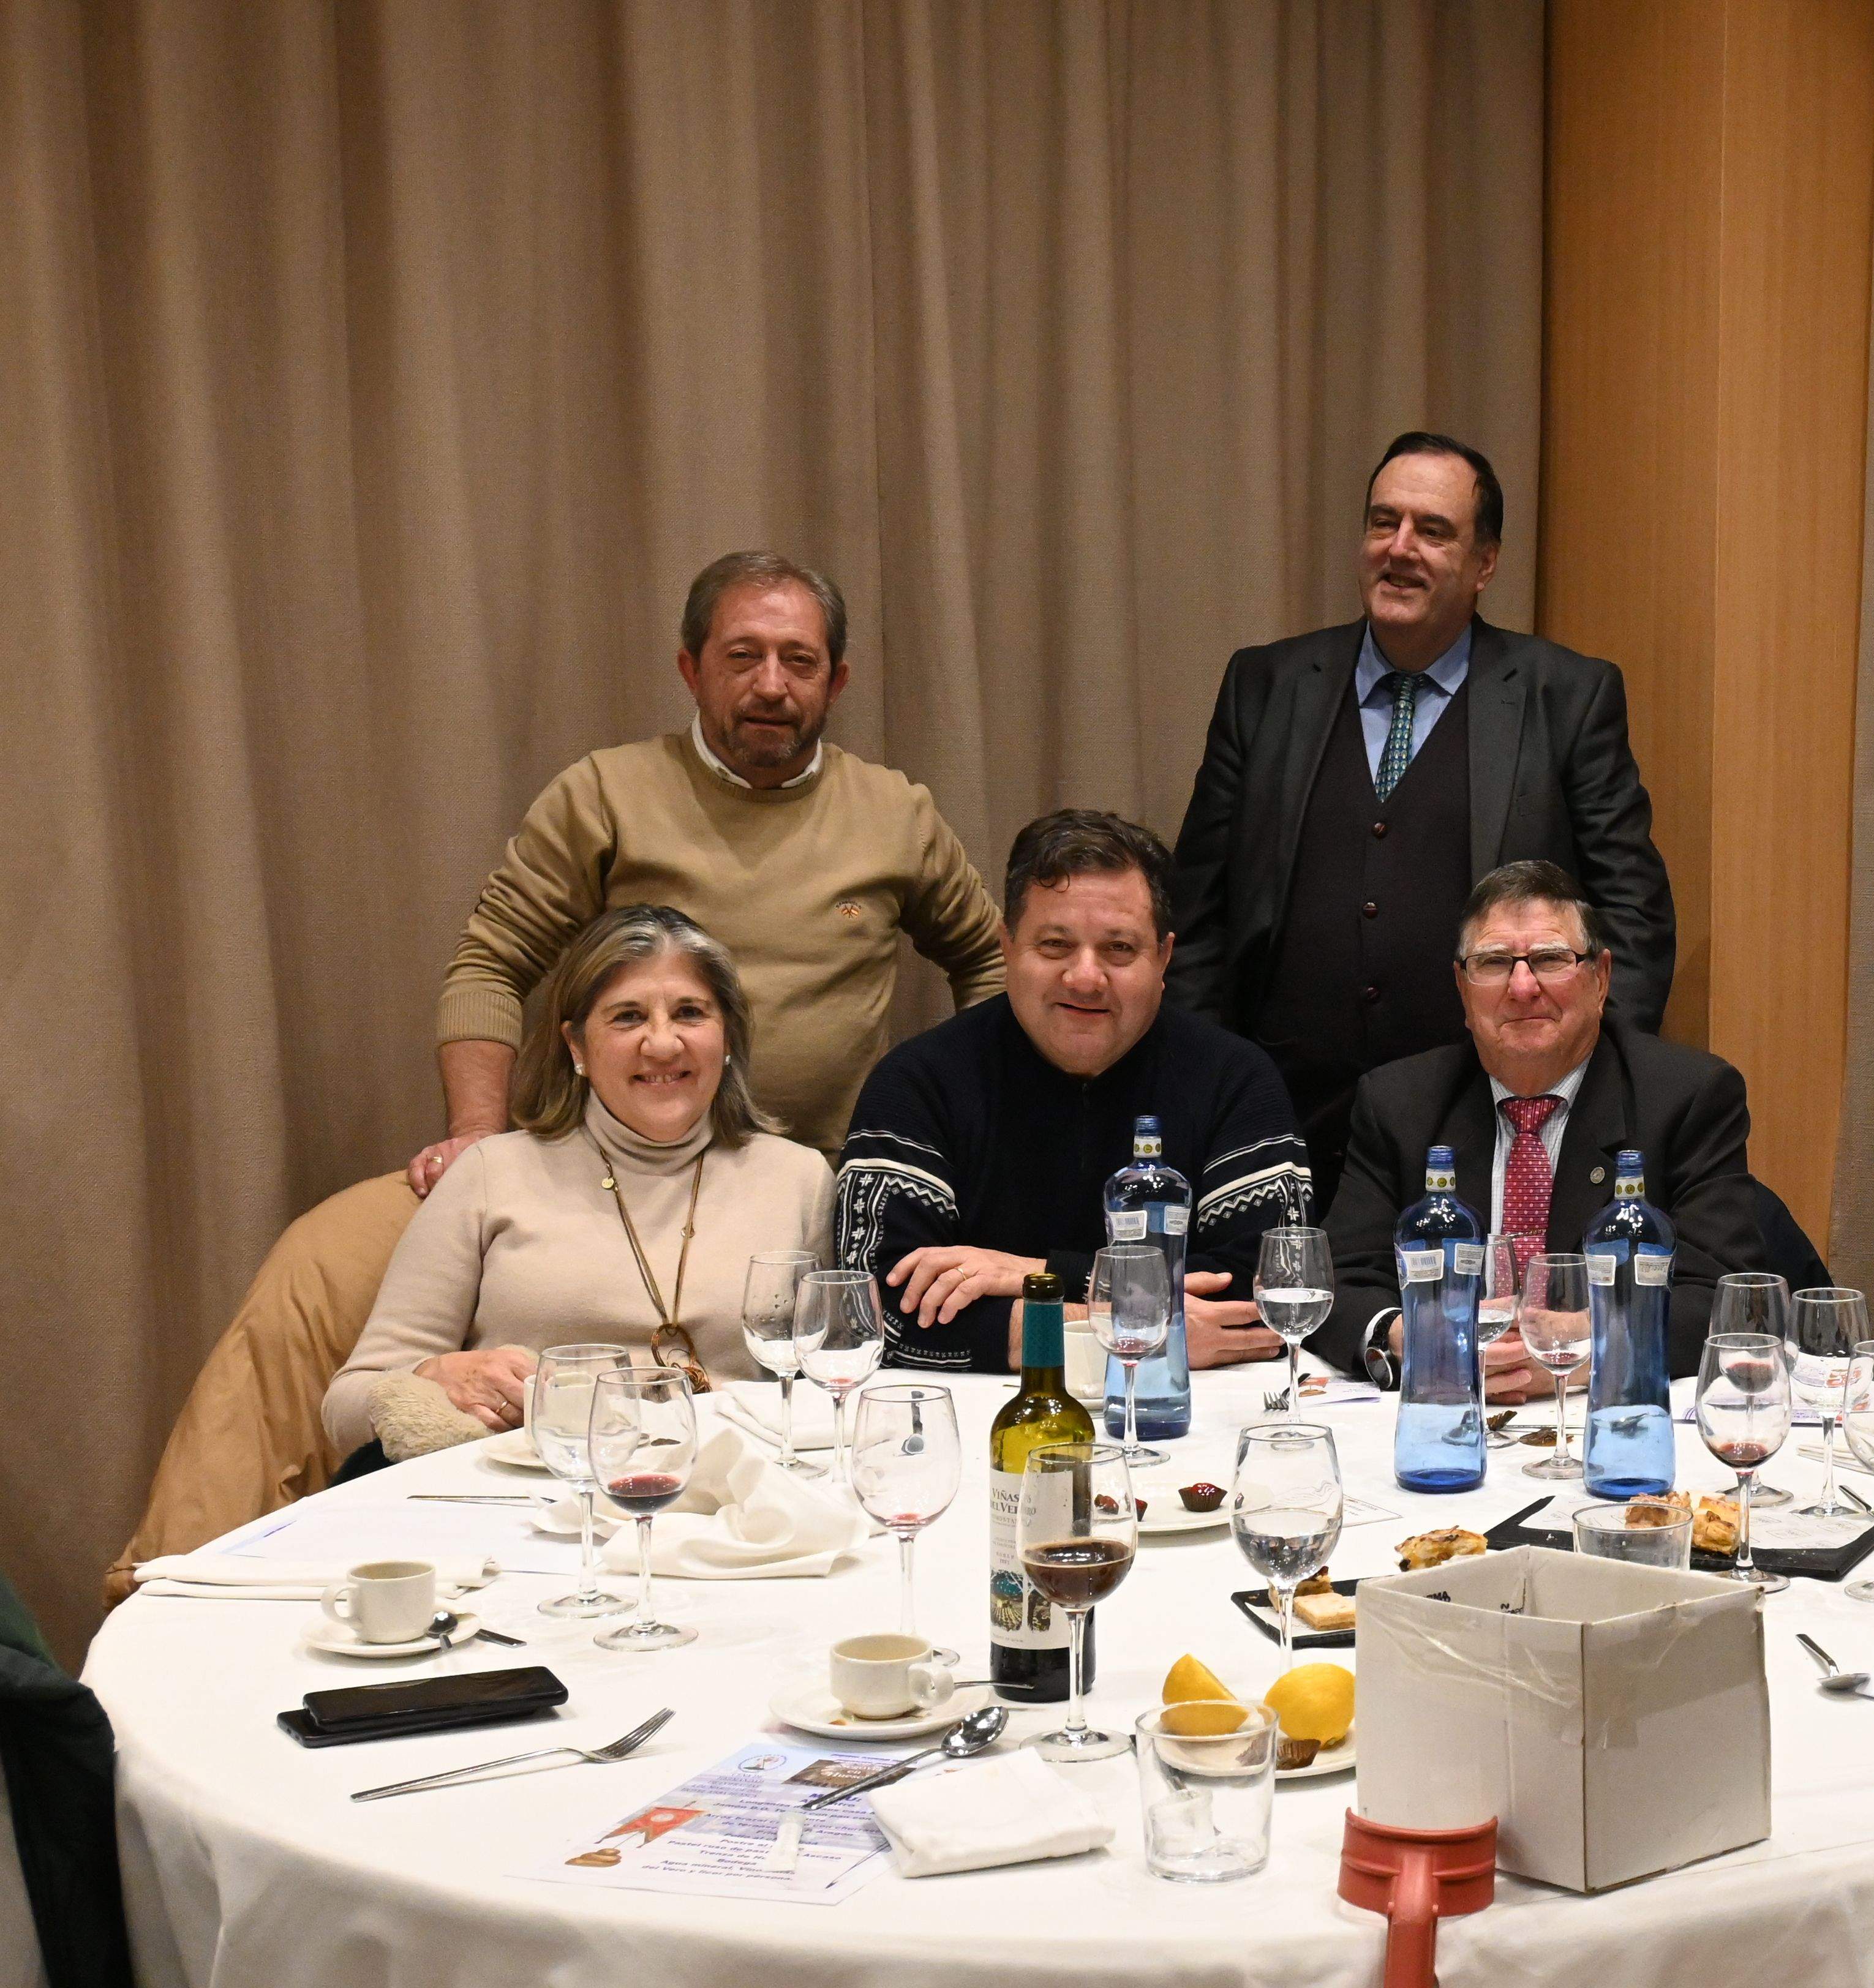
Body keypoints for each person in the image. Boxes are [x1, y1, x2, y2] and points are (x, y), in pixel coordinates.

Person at [1167, 432, 1675, 1206]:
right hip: (1278, 1124)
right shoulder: (1265, 685)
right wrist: (1209, 1086)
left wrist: (1586, 1092)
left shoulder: (1565, 697)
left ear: (1486, 563)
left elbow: (1631, 915)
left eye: (1432, 531)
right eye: (1383, 522)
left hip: (1482, 1130)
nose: (1399, 549)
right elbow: (1198, 913)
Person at [415, 551, 1008, 1185]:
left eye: (798, 660)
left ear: (835, 683)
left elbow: (990, 960)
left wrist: (987, 1117)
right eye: (743, 656)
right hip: (629, 1178)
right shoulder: (603, 797)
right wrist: (477, 1134)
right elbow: (490, 965)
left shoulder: (896, 812)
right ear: (692, 671)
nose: (772, 685)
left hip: (830, 1180)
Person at [328, 907, 832, 1458]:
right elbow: (346, 1409)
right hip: (533, 1502)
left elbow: (832, 1393)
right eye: (627, 1018)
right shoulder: (488, 1175)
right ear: (576, 1047)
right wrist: (437, 1375)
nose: (662, 1045)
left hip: (735, 1501)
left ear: (728, 1035)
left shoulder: (799, 1179)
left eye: (690, 1013)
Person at [834, 810, 1307, 1372]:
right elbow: (872, 1313)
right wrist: (1137, 1326)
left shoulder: (1237, 1080)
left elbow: (1267, 1304)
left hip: (1195, 1422)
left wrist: (1028, 1275)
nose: (1085, 977)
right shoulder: (915, 1084)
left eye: (1119, 949)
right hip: (975, 1429)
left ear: (1164, 958)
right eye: (1055, 945)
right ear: (1007, 947)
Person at [1312, 861, 1762, 1394]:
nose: (1523, 987)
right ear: (1462, 987)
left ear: (1601, 980)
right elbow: (1340, 1281)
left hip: (1608, 1411)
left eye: (1550, 959)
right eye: (1495, 962)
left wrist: (1589, 1342)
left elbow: (1724, 1298)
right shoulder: (1399, 1104)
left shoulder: (1687, 1097)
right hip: (1449, 1406)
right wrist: (1411, 1338)